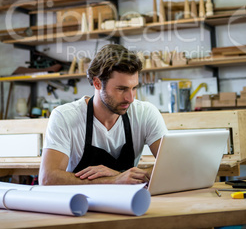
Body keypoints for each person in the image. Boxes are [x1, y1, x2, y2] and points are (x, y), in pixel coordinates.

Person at [39, 44, 167, 185]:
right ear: (97, 83)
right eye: (121, 89)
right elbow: (47, 178)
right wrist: (113, 180)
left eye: (134, 88)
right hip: (81, 202)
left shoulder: (145, 113)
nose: (130, 98)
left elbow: (174, 165)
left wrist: (120, 175)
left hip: (129, 201)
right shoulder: (64, 117)